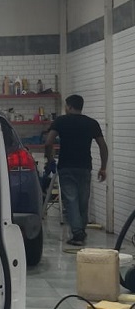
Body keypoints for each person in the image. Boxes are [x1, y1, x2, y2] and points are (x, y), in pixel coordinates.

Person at [44, 94, 108, 246]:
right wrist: (103, 167)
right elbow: (103, 146)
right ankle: (81, 231)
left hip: (66, 166)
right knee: (83, 200)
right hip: (85, 166)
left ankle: (78, 233)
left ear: (69, 106)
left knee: (71, 200)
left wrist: (50, 159)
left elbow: (48, 142)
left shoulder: (61, 121)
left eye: (66, 106)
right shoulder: (91, 123)